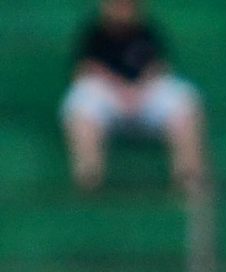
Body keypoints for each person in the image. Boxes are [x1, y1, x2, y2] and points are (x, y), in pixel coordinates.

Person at [61, 0, 206, 194]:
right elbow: (84, 70)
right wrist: (120, 89)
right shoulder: (94, 33)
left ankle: (189, 178)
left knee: (185, 98)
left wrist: (137, 90)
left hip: (144, 94)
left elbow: (160, 67)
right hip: (108, 96)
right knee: (80, 102)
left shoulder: (147, 31)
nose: (123, 9)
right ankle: (89, 178)